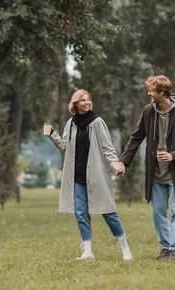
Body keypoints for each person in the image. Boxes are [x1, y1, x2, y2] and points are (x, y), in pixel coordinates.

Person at [113, 75, 175, 261]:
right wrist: (122, 161)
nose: (149, 93)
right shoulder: (148, 112)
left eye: (151, 90)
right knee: (158, 212)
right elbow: (136, 138)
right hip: (156, 174)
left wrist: (173, 155)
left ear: (162, 92)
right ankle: (166, 247)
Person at [44, 89, 132, 262]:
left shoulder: (97, 122)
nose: (87, 103)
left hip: (95, 174)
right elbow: (64, 145)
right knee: (81, 213)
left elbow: (108, 148)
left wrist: (115, 164)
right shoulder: (71, 123)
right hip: (76, 176)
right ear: (75, 104)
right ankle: (88, 251)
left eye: (88, 100)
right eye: (83, 100)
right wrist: (52, 134)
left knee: (108, 211)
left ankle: (125, 247)